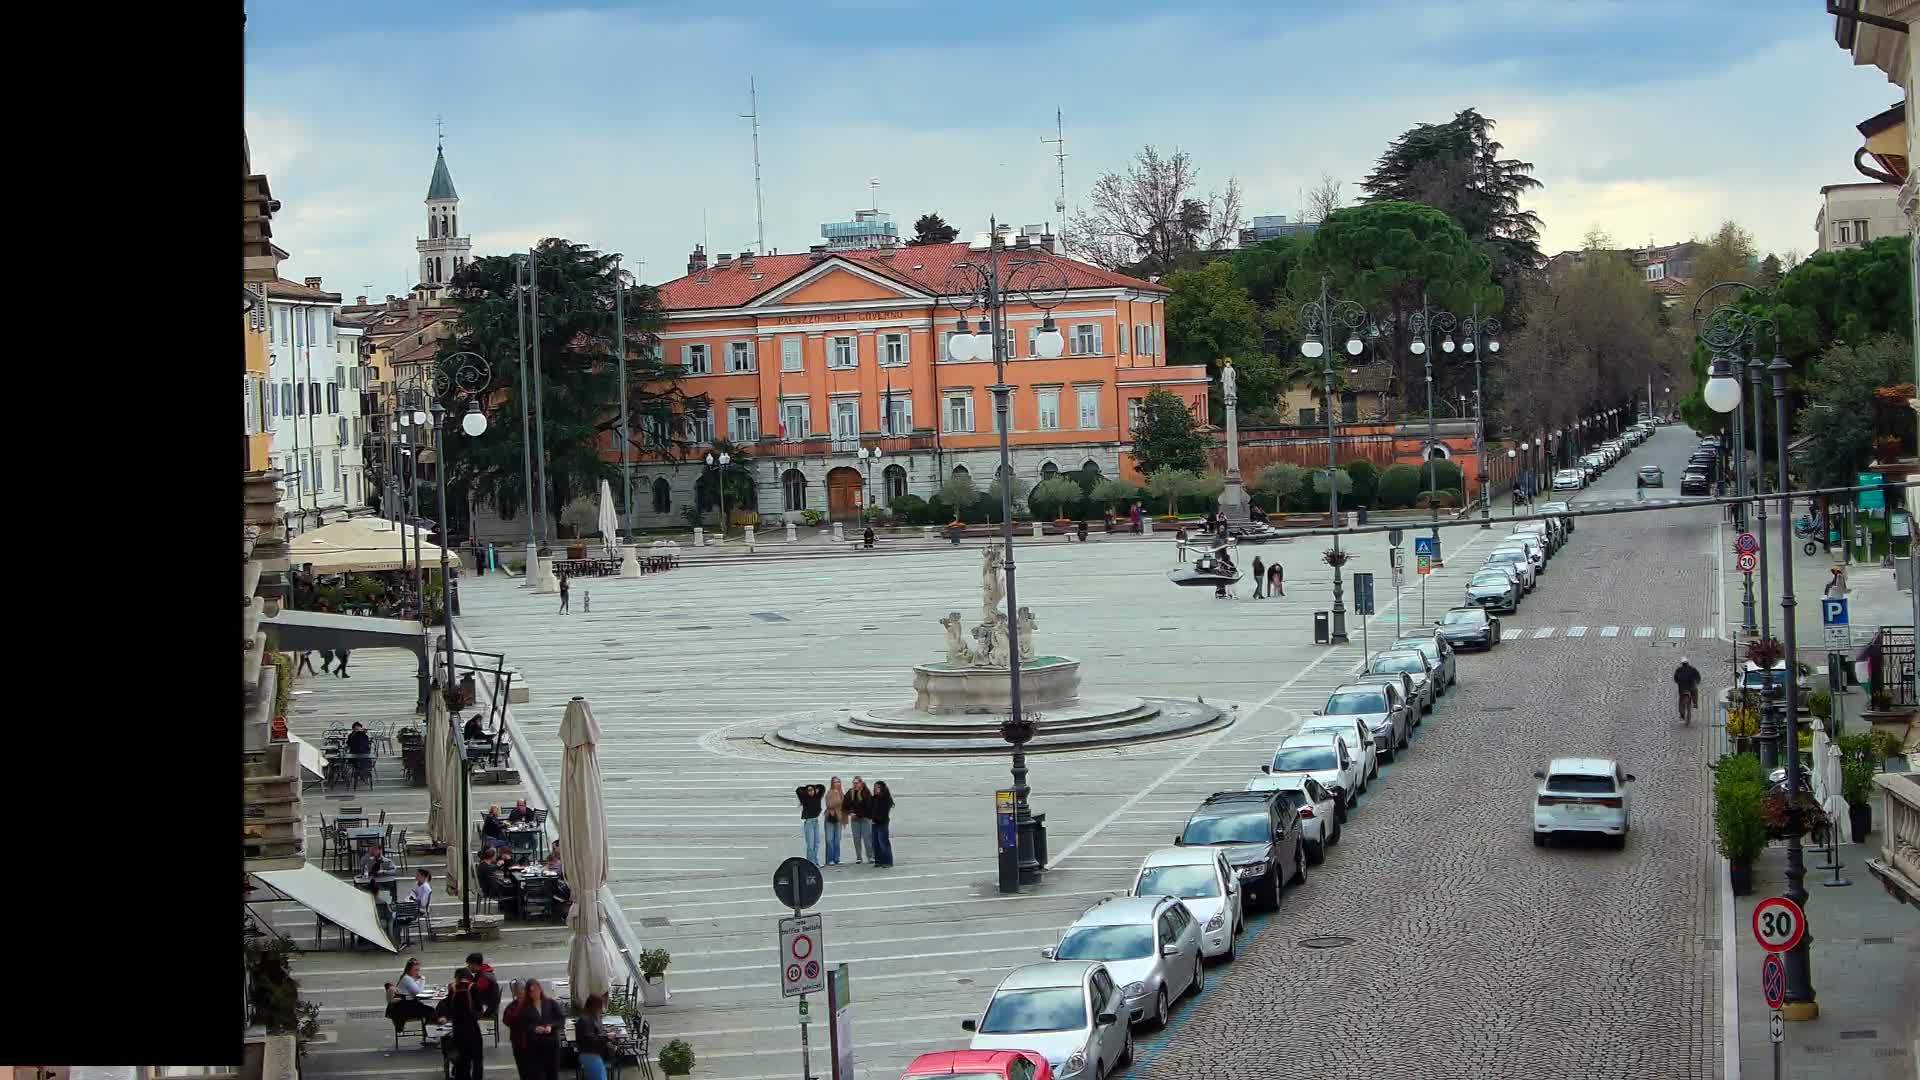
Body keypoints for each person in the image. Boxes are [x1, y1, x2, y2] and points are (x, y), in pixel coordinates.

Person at [508, 977, 565, 1080]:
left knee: (553, 1073)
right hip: (535, 1047)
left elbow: (561, 1020)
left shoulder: (550, 1003)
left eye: (537, 990)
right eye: (531, 991)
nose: (535, 993)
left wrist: (551, 1026)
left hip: (551, 1044)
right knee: (538, 1074)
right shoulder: (524, 1008)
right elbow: (522, 1025)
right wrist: (534, 1028)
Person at [437, 971, 486, 1080]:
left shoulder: (453, 989)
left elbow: (447, 1005)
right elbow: (479, 1008)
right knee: (477, 1058)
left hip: (458, 1029)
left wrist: (444, 1016)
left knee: (462, 1061)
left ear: (457, 978)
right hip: (472, 1028)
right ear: (469, 978)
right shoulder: (473, 988)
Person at [385, 957, 439, 1032]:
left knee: (429, 1010)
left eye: (418, 970)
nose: (417, 972)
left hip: (403, 1005)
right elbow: (418, 993)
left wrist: (418, 980)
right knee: (431, 1011)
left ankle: (428, 1031)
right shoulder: (407, 979)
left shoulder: (408, 977)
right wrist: (422, 979)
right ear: (409, 970)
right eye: (415, 970)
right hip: (403, 1007)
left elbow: (416, 990)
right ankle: (429, 1032)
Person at [573, 993, 612, 1080]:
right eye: (601, 1006)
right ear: (595, 1006)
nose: (602, 1009)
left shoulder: (590, 1017)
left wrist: (605, 1032)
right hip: (590, 1055)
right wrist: (607, 1037)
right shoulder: (586, 1020)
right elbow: (590, 1039)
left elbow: (593, 1033)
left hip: (591, 1055)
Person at [502, 979, 532, 1079]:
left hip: (530, 1042)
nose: (520, 993)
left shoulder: (532, 1005)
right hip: (519, 1042)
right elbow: (507, 1021)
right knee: (523, 1068)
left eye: (522, 990)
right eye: (518, 990)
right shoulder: (512, 1006)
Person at [868, 781, 896, 868]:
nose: (876, 789)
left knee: (883, 842)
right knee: (875, 842)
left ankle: (887, 861)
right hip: (874, 823)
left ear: (882, 788)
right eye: (875, 787)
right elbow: (870, 809)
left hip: (882, 823)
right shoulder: (874, 798)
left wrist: (877, 818)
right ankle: (878, 860)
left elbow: (884, 812)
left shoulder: (886, 799)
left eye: (878, 787)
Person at [796, 782, 825, 865]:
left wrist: (814, 787)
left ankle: (815, 860)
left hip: (816, 821)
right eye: (809, 790)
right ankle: (810, 862)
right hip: (809, 822)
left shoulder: (818, 796)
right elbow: (798, 790)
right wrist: (806, 789)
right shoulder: (804, 799)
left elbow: (822, 787)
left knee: (816, 843)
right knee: (810, 844)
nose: (811, 791)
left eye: (812, 790)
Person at [823, 777, 845, 866]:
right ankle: (829, 859)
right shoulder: (830, 793)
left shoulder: (841, 793)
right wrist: (836, 797)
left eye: (838, 782)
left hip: (838, 818)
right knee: (829, 840)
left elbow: (844, 805)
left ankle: (837, 858)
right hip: (830, 818)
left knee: (837, 839)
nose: (837, 784)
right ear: (832, 783)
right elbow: (829, 804)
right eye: (835, 782)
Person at [1674, 657, 1702, 723]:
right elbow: (1698, 676)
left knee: (1681, 701)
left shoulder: (1678, 670)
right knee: (1695, 692)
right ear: (1688, 663)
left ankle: (1682, 714)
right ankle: (1695, 703)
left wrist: (1679, 682)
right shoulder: (1692, 669)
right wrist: (1697, 682)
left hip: (1682, 689)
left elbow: (1675, 678)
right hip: (1691, 687)